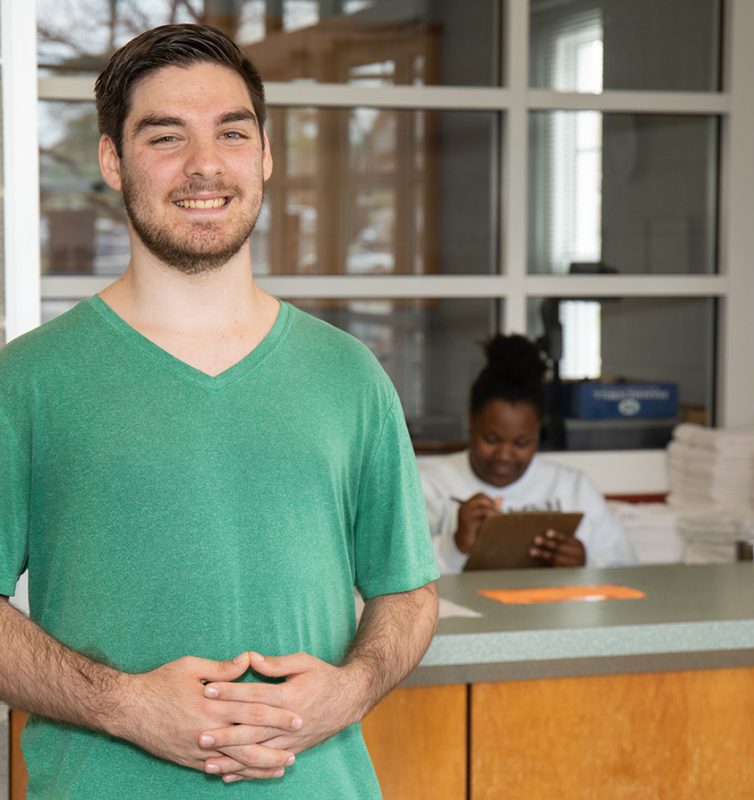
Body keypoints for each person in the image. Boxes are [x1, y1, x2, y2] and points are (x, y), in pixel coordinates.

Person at [0, 24, 439, 799]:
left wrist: (351, 688)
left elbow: (406, 591)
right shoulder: (27, 381)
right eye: (166, 136)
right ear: (112, 160)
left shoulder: (349, 375)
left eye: (232, 133)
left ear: (265, 156)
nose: (206, 164)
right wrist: (126, 705)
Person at [420, 333, 636, 573]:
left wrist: (584, 563)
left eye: (521, 443)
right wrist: (456, 545)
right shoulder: (429, 485)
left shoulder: (573, 487)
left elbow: (626, 569)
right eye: (491, 439)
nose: (503, 456)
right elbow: (394, 581)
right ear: (471, 424)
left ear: (537, 435)